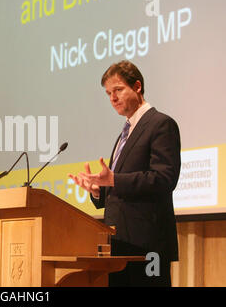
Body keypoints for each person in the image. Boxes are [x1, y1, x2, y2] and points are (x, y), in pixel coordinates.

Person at [69, 60, 181, 287]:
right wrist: (98, 191)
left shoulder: (161, 124)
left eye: (118, 90)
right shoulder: (123, 134)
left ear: (137, 86)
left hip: (148, 245)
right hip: (119, 246)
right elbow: (118, 189)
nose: (112, 98)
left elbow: (165, 178)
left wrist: (114, 180)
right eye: (108, 93)